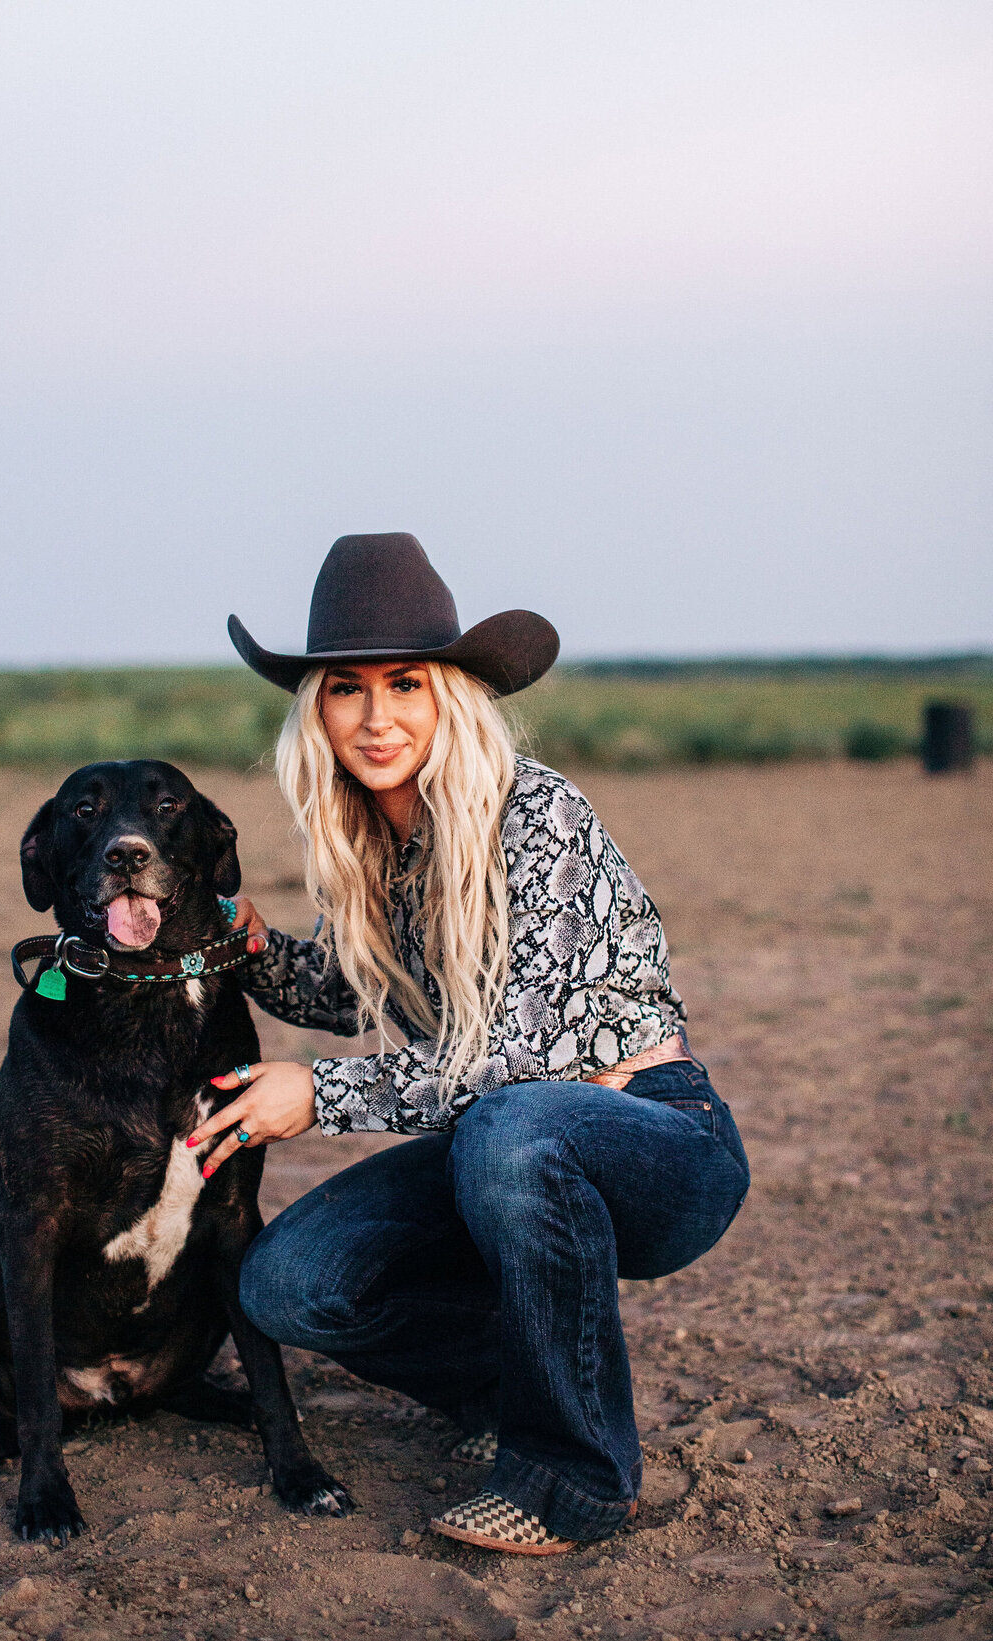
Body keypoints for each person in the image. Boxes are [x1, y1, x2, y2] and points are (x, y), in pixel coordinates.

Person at [189, 533, 750, 1555]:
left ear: (450, 692)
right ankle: (520, 1386)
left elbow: (527, 1052)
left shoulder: (535, 811)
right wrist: (236, 932)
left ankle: (573, 1478)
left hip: (655, 1138)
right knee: (289, 1282)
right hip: (500, 1143)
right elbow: (349, 990)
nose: (376, 715)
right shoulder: (371, 843)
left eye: (405, 682)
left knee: (511, 1125)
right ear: (314, 708)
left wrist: (319, 1097)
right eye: (346, 688)